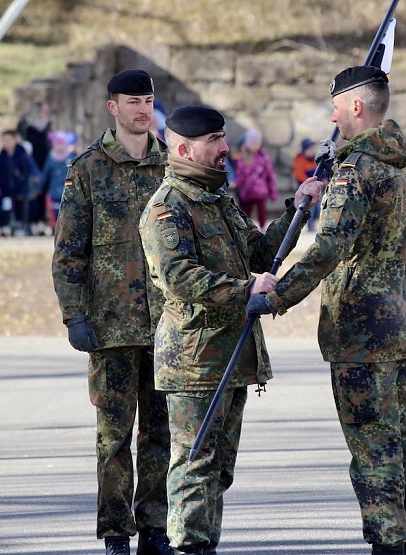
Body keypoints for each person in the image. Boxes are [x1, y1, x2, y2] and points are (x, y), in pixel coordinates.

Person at [246, 66, 406, 555]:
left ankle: (388, 540)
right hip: (401, 321)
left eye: (337, 106)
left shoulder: (355, 171)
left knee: (371, 443)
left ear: (357, 107)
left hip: (360, 329)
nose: (332, 115)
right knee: (398, 434)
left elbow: (327, 250)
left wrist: (276, 295)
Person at [138, 104, 321, 555]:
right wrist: (245, 290)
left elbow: (259, 253)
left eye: (223, 138)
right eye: (213, 141)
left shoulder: (218, 198)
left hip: (232, 356)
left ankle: (202, 542)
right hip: (195, 358)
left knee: (218, 468)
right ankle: (192, 547)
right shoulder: (167, 206)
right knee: (195, 463)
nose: (224, 148)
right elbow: (178, 276)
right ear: (183, 148)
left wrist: (296, 210)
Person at [51, 69, 173, 555]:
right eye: (133, 101)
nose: (143, 109)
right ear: (112, 107)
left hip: (168, 326)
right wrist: (74, 315)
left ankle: (155, 528)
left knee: (161, 434)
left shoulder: (173, 165)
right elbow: (68, 252)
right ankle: (116, 533)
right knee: (114, 437)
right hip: (110, 326)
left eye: (148, 100)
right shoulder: (88, 170)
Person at [0, 129, 40, 236]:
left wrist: (35, 176)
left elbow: (31, 166)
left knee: (21, 208)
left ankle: (21, 226)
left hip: (20, 187)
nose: (6, 143)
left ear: (15, 140)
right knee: (6, 208)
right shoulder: (2, 156)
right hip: (6, 188)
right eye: (4, 140)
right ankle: (5, 227)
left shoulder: (22, 153)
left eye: (9, 140)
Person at [19, 101, 53, 236]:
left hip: (48, 164)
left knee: (45, 195)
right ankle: (31, 223)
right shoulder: (27, 127)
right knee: (32, 195)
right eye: (42, 110)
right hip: (32, 165)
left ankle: (42, 222)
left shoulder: (50, 126)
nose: (45, 113)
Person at [232, 128, 277, 228]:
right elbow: (240, 174)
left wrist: (272, 192)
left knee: (262, 212)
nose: (254, 146)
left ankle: (262, 228)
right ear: (247, 143)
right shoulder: (242, 157)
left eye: (257, 143)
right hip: (247, 192)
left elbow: (270, 175)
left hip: (261, 191)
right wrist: (236, 183)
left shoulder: (263, 157)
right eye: (252, 143)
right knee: (245, 212)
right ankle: (245, 229)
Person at [40, 130, 76, 228]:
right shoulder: (51, 157)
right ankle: (55, 226)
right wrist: (39, 186)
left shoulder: (71, 156)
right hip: (54, 189)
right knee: (55, 208)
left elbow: (76, 172)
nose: (60, 147)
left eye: (62, 144)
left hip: (69, 188)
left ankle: (67, 226)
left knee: (68, 208)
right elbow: (46, 173)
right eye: (57, 144)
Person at [292, 137, 321, 231]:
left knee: (317, 208)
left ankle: (314, 224)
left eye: (313, 148)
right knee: (309, 208)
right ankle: (310, 227)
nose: (312, 151)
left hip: (316, 189)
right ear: (305, 150)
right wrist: (311, 182)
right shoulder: (300, 160)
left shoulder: (316, 160)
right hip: (305, 190)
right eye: (310, 149)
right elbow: (299, 175)